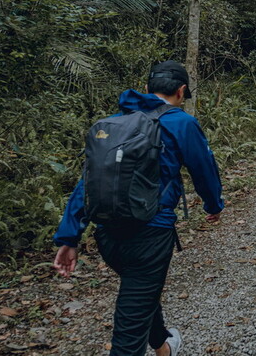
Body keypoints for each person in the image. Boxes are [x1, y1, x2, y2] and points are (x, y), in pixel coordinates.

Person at [53, 60, 224, 356]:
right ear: (181, 91)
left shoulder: (114, 124)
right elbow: (203, 169)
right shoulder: (181, 122)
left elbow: (88, 183)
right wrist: (214, 205)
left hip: (107, 235)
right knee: (128, 331)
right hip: (150, 236)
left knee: (140, 293)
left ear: (146, 89)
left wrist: (69, 237)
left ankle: (164, 347)